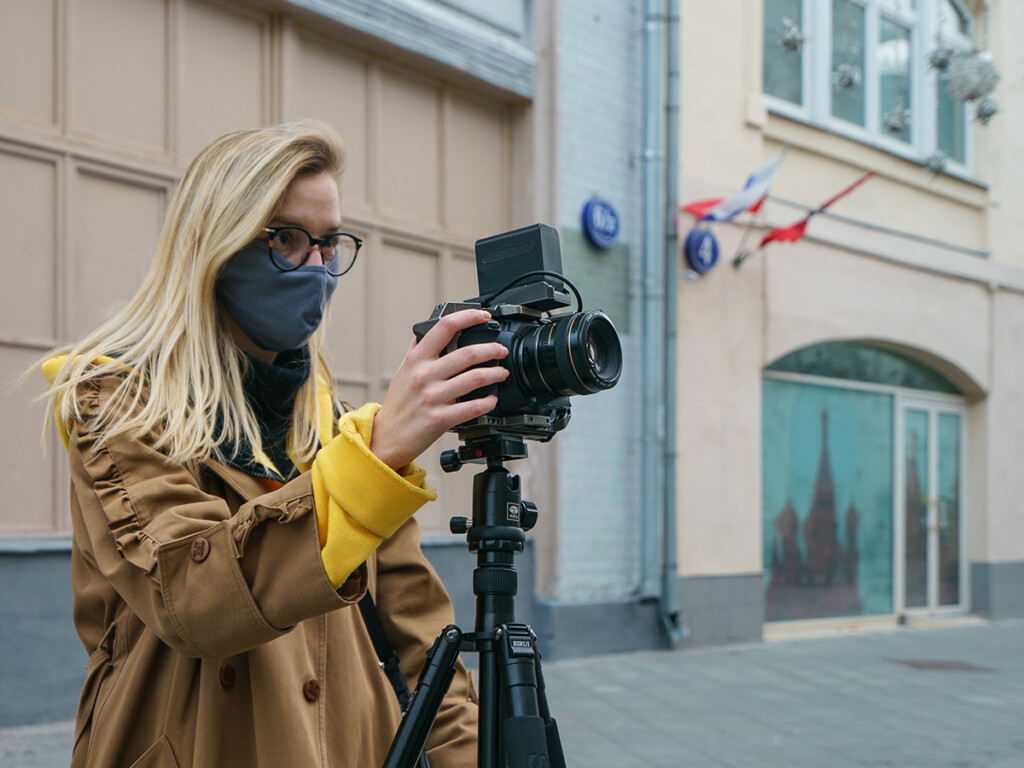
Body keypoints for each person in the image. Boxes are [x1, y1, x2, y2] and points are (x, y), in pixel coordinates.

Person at [39, 120, 508, 768]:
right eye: (285, 239)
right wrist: (369, 466)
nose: (315, 268)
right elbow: (192, 599)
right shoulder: (116, 405)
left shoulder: (336, 428)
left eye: (328, 244)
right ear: (216, 243)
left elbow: (422, 644)